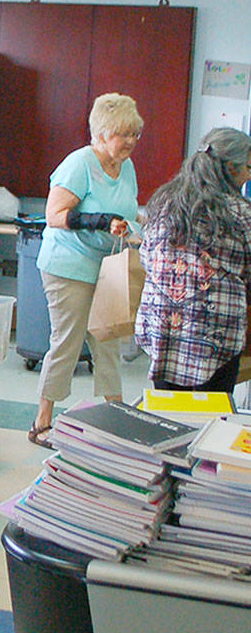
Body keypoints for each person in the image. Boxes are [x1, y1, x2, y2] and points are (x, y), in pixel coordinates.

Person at [29, 93, 143, 448]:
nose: (131, 142)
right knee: (68, 340)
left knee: (108, 338)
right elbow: (55, 216)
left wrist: (136, 227)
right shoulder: (79, 163)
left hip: (107, 264)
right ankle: (42, 421)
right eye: (124, 134)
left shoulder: (126, 166)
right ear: (102, 132)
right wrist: (99, 221)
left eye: (135, 134)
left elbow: (130, 208)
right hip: (69, 264)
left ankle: (115, 414)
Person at [135, 128, 251, 394]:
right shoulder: (241, 213)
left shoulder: (163, 202)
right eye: (248, 167)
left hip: (162, 331)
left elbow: (146, 258)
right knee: (211, 420)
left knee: (168, 414)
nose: (249, 175)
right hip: (215, 338)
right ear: (231, 168)